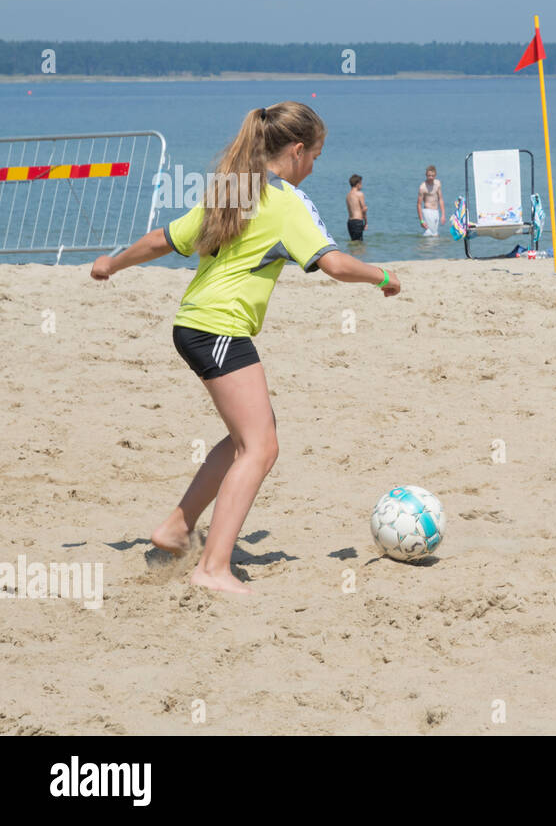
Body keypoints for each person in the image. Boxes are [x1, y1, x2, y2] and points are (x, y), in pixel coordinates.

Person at [90, 102, 401, 594]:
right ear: (297, 151)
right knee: (261, 447)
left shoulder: (232, 188)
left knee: (245, 440)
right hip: (218, 330)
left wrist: (112, 262)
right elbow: (336, 264)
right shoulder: (286, 202)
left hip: (195, 325)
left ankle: (176, 528)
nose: (315, 167)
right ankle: (212, 569)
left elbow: (162, 240)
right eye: (315, 156)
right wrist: (383, 275)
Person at [417, 165, 445, 236]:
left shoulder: (438, 184)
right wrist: (421, 221)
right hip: (427, 212)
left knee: (435, 233)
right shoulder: (422, 187)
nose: (431, 177)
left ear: (435, 175)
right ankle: (425, 246)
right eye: (429, 175)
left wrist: (443, 215)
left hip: (436, 212)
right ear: (426, 175)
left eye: (432, 176)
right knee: (430, 233)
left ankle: (429, 246)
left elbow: (440, 199)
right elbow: (419, 204)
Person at [346, 174, 367, 241]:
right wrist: (366, 223)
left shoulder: (348, 195)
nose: (362, 185)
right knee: (359, 244)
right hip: (358, 221)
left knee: (353, 242)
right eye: (361, 183)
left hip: (350, 222)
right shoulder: (359, 194)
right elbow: (364, 209)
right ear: (358, 184)